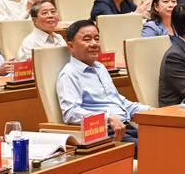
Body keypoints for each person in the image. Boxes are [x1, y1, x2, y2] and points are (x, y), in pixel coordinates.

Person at [56, 20, 152, 152]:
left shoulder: (100, 67)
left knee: (170, 139)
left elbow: (118, 101)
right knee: (156, 148)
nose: (94, 44)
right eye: (87, 39)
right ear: (71, 46)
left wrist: (152, 111)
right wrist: (107, 117)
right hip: (106, 134)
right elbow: (70, 113)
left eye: (96, 38)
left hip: (127, 127)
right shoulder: (69, 74)